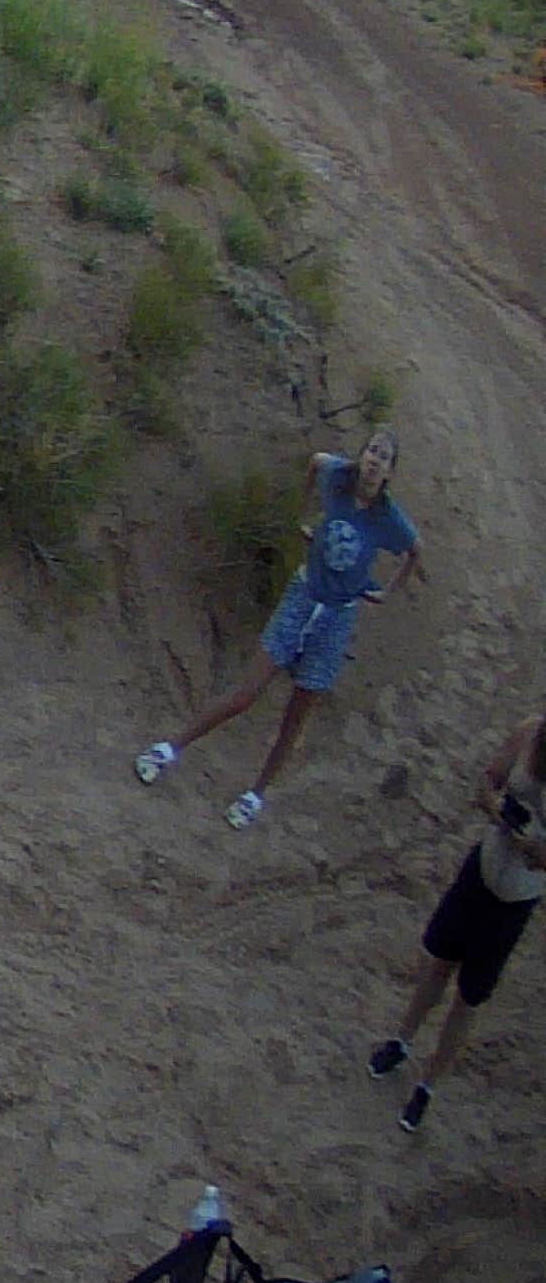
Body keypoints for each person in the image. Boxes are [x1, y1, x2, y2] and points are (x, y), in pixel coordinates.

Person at [133, 430, 425, 828]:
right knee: (245, 694)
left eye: (384, 457)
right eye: (372, 450)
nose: (375, 460)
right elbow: (316, 460)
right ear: (362, 454)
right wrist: (303, 517)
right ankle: (168, 749)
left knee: (295, 716)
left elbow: (415, 549)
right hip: (303, 595)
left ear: (391, 471)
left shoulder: (387, 517)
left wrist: (387, 593)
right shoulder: (338, 476)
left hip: (337, 617)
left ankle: (255, 795)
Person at [367, 707, 542, 1131]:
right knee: (439, 962)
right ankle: (402, 1040)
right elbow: (486, 783)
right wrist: (497, 809)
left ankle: (427, 1086)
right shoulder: (528, 733)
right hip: (482, 870)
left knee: (469, 997)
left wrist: (536, 849)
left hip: (515, 900)